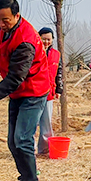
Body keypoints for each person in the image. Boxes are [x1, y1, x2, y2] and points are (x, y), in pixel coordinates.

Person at [0, 0, 51, 181]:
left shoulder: (25, 42)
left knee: (23, 139)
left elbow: (15, 78)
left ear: (17, 16)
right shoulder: (8, 27)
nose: (1, 24)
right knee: (12, 141)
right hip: (19, 92)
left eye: (5, 20)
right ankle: (24, 180)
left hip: (33, 91)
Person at [36, 27, 63, 156]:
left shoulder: (56, 54)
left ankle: (44, 149)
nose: (46, 42)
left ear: (52, 40)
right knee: (32, 122)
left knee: (46, 122)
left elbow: (59, 72)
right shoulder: (33, 51)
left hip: (49, 92)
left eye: (49, 39)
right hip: (34, 91)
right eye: (44, 39)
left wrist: (59, 89)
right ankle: (28, 150)